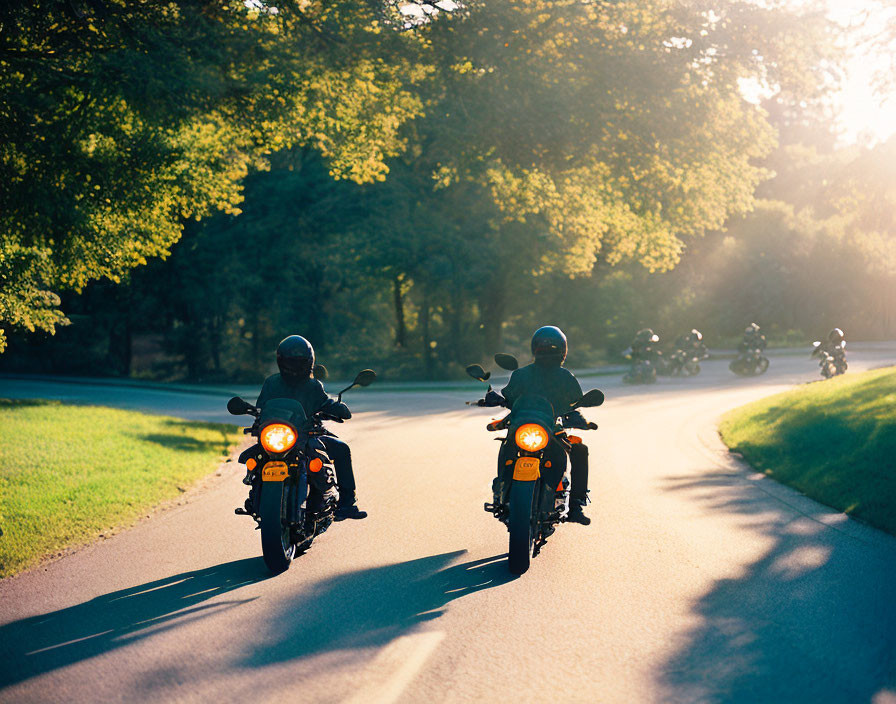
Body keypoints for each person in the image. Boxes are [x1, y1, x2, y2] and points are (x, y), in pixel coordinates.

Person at [480, 326, 594, 525]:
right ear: (564, 350)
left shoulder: (531, 375)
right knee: (506, 445)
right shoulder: (529, 375)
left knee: (579, 449)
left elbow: (575, 404)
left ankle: (576, 504)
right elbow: (508, 398)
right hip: (522, 426)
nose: (547, 350)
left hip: (550, 429)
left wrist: (581, 420)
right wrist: (494, 398)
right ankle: (501, 491)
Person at [256, 335, 367, 520]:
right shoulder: (274, 383)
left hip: (305, 436)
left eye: (298, 361)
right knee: (254, 460)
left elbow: (326, 403)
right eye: (291, 361)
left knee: (341, 448)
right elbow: (261, 409)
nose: (294, 366)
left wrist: (338, 409)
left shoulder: (306, 385)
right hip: (277, 436)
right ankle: (256, 494)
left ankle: (347, 503)